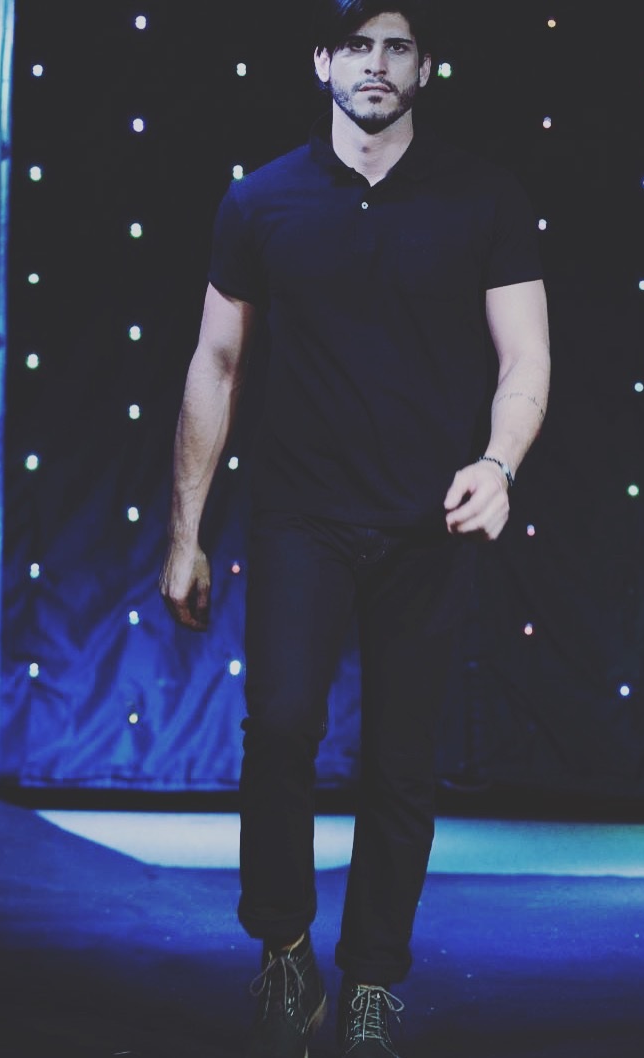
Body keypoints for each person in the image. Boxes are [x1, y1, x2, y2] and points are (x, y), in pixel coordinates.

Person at [160, 1, 550, 1054]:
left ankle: (372, 975)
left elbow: (524, 353)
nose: (376, 64)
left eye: (397, 47)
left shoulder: (483, 196)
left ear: (425, 69)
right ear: (322, 61)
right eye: (357, 45)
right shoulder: (262, 199)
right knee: (282, 725)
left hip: (429, 520)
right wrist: (184, 534)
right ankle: (284, 943)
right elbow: (215, 363)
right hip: (300, 513)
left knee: (402, 759)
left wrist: (497, 463)